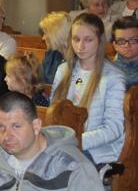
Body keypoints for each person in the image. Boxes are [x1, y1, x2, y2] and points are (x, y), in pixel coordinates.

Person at [51, 13, 125, 165]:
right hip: (65, 145)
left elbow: (114, 128)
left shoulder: (113, 77)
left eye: (88, 40)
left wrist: (75, 140)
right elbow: (54, 114)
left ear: (100, 40)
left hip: (97, 150)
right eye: (76, 39)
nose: (80, 46)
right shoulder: (63, 70)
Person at [110, 16, 138, 88]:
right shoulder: (109, 69)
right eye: (121, 41)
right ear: (115, 46)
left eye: (133, 40)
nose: (127, 45)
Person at [38, 12, 71, 85]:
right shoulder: (50, 54)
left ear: (57, 34)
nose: (43, 38)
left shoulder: (77, 59)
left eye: (45, 33)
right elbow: (43, 83)